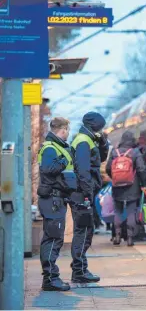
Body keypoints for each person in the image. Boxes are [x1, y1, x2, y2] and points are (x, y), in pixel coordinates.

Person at [37, 117, 76, 291]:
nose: (68, 133)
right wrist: (63, 161)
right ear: (64, 129)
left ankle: (51, 277)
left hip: (56, 199)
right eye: (68, 130)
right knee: (53, 239)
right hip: (52, 200)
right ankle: (51, 279)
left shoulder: (57, 147)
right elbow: (48, 169)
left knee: (53, 238)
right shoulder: (51, 149)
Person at [70, 112, 109, 283]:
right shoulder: (83, 142)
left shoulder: (89, 140)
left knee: (86, 230)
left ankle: (80, 268)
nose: (102, 129)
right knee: (83, 231)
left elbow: (101, 159)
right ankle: (79, 271)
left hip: (85, 192)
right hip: (82, 193)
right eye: (100, 126)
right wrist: (87, 194)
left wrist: (103, 143)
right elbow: (83, 170)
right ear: (95, 126)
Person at [106, 131, 146, 247]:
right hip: (132, 187)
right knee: (131, 212)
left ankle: (117, 236)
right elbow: (141, 169)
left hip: (117, 186)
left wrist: (115, 178)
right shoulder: (135, 152)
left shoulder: (115, 152)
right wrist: (143, 184)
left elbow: (109, 168)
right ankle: (129, 238)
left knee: (118, 211)